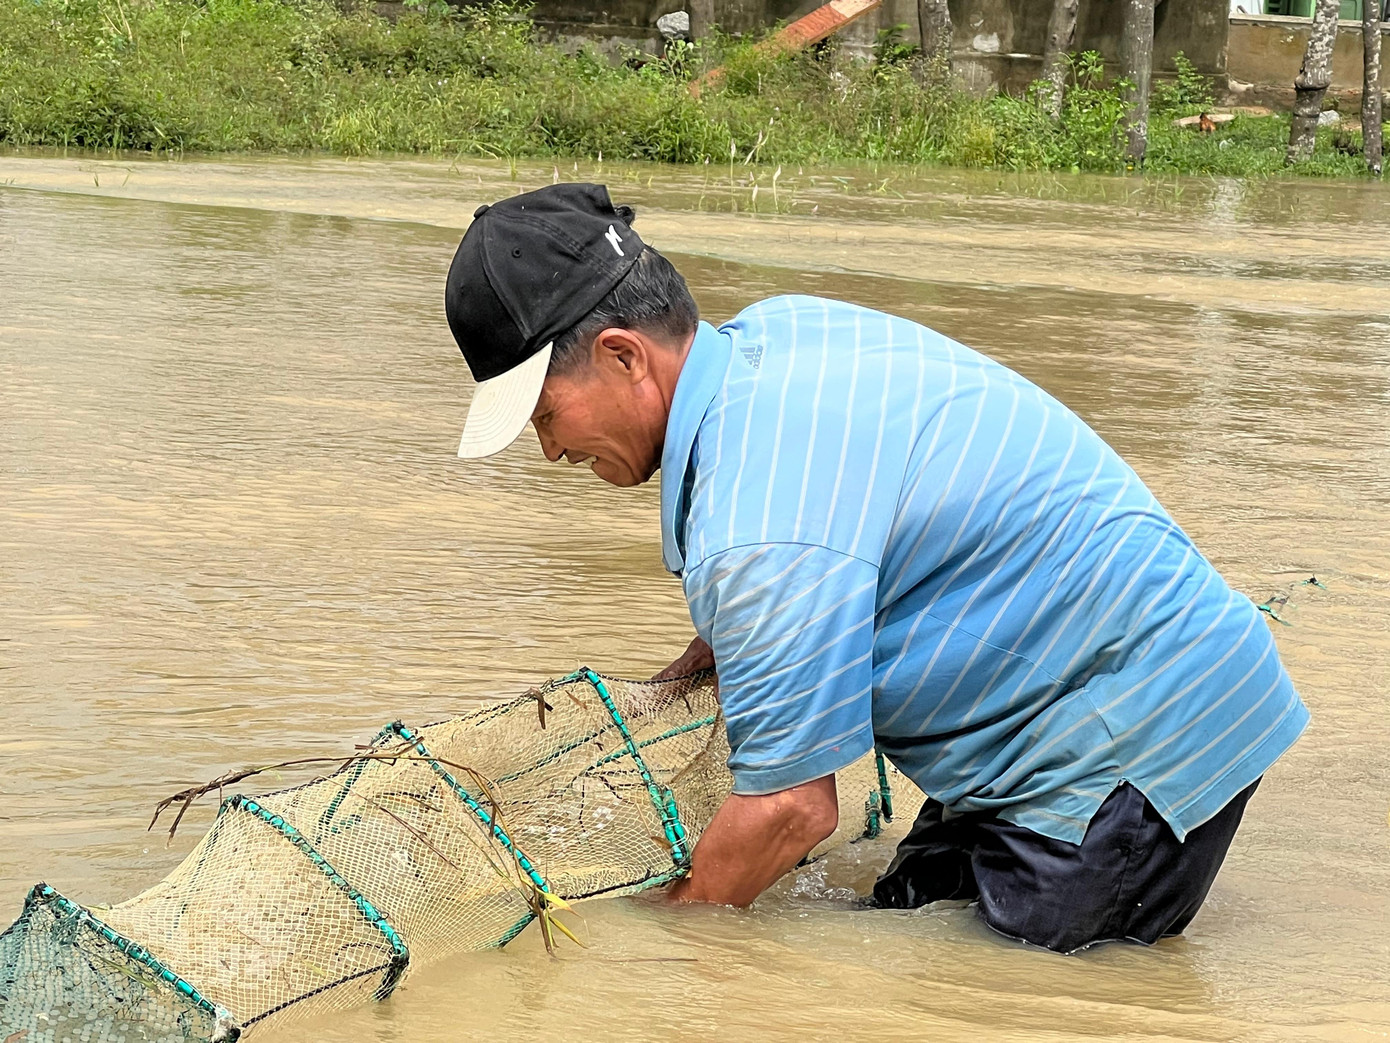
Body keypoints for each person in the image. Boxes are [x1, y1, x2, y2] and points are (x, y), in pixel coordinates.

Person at [443, 183, 1308, 953]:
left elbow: (793, 809)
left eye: (545, 414)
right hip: (1083, 695)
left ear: (626, 356)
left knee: (997, 994)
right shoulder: (782, 332)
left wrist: (675, 943)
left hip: (1137, 738)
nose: (550, 449)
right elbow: (840, 539)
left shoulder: (755, 521)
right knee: (902, 919)